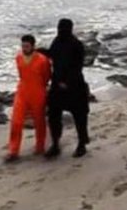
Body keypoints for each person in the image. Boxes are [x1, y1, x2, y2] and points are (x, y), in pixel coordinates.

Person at [44, 19, 90, 159]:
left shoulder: (77, 45)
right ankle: (56, 144)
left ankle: (82, 144)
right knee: (53, 116)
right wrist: (37, 52)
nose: (60, 30)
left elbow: (78, 67)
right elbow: (51, 54)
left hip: (75, 86)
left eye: (62, 28)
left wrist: (67, 82)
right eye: (59, 28)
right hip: (57, 85)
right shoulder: (56, 41)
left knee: (80, 116)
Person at [7, 35, 51, 161]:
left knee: (39, 121)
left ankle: (40, 146)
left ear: (33, 46)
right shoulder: (18, 57)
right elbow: (21, 74)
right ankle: (13, 151)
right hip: (22, 91)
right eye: (23, 46)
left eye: (27, 46)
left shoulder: (42, 60)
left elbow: (46, 77)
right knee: (16, 121)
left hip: (38, 92)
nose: (24, 48)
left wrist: (43, 88)